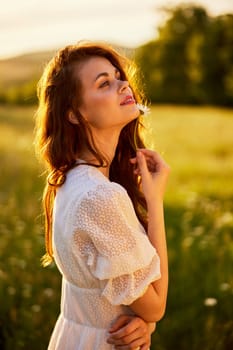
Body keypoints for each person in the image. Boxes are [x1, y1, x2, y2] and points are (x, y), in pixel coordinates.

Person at [34, 41, 170, 350]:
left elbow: (95, 289)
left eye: (118, 76)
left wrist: (143, 322)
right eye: (104, 83)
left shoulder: (68, 180)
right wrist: (155, 201)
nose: (123, 85)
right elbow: (156, 305)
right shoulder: (99, 196)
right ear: (75, 113)